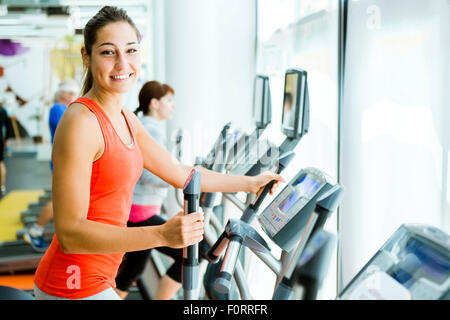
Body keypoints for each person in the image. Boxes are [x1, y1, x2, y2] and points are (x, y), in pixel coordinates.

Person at [32, 6, 282, 300]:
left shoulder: (126, 118)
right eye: (108, 52)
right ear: (86, 56)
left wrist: (249, 184)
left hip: (98, 276)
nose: (122, 63)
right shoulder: (81, 122)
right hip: (72, 283)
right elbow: (70, 234)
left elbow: (180, 173)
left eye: (131, 50)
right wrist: (162, 234)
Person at [114, 80, 185, 300]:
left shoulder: (143, 125)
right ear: (154, 103)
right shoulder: (152, 130)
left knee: (131, 272)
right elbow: (146, 174)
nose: (173, 106)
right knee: (189, 255)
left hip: (136, 209)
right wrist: (177, 178)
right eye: (169, 101)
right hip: (139, 212)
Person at [23, 80, 79, 252]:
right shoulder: (57, 109)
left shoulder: (65, 109)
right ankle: (35, 230)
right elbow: (73, 129)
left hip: (67, 161)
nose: (71, 96)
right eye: (68, 93)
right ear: (61, 93)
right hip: (63, 162)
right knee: (60, 202)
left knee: (67, 202)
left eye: (73, 93)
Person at [0, 102, 11, 196]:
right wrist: (6, 139)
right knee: (1, 162)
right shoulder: (3, 110)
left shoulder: (3, 111)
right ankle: (2, 186)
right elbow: (8, 127)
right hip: (0, 139)